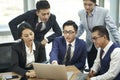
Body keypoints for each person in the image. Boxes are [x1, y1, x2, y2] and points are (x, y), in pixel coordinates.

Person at [77, 0, 120, 69]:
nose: (87, 7)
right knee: (92, 68)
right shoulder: (81, 13)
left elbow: (112, 29)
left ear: (95, 3)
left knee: (104, 68)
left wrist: (119, 42)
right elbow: (81, 28)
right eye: (85, 4)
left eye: (90, 5)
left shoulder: (103, 12)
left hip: (102, 44)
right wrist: (72, 38)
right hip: (90, 45)